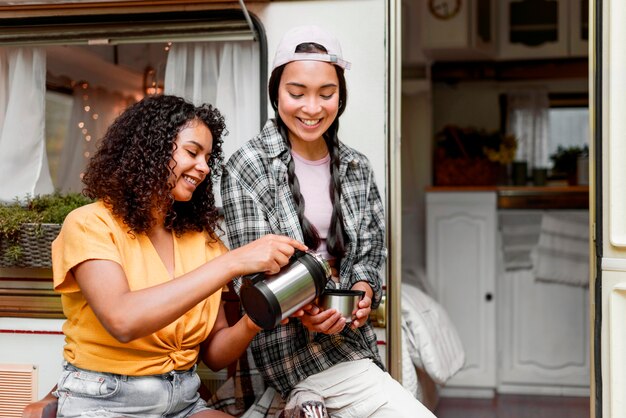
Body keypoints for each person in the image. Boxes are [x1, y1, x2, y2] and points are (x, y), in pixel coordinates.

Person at [221, 25, 435, 417]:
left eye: (327, 93)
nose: (312, 108)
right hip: (286, 345)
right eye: (296, 93)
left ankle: (302, 405)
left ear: (341, 95)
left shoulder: (357, 166)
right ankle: (300, 397)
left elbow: (371, 250)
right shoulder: (246, 167)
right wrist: (308, 309)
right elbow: (250, 278)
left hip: (352, 340)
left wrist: (364, 288)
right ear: (275, 92)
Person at [51, 94, 307, 418]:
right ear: (151, 150)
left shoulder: (202, 241)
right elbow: (123, 320)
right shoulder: (90, 224)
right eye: (192, 152)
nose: (203, 168)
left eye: (208, 157)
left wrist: (258, 317)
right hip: (107, 402)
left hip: (183, 401)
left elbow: (214, 354)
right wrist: (232, 263)